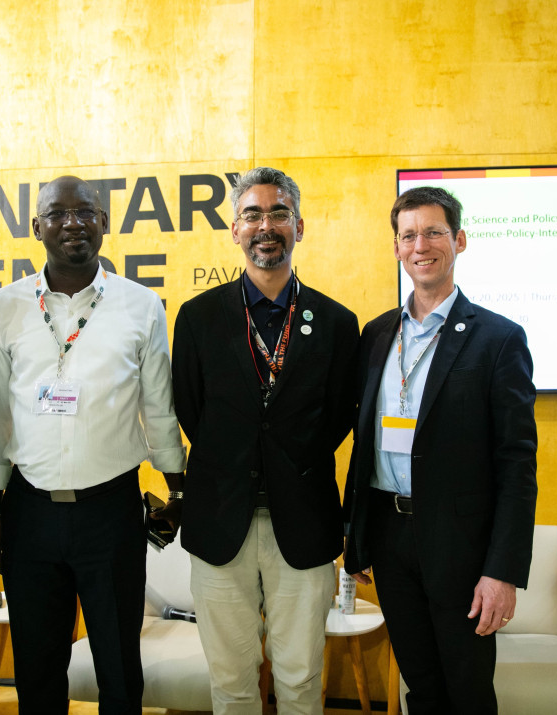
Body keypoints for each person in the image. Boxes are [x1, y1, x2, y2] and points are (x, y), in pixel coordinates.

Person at [0, 175, 186, 714]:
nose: (73, 223)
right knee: (37, 666)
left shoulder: (140, 305)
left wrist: (177, 489)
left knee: (119, 666)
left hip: (111, 513)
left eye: (86, 212)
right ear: (36, 227)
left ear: (104, 222)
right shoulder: (4, 308)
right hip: (30, 513)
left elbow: (159, 406)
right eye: (58, 213)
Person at [343, 186, 537, 714]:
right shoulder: (377, 334)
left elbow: (517, 463)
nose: (420, 244)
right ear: (397, 247)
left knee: (468, 691)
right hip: (390, 535)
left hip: (461, 544)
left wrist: (502, 572)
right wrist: (356, 533)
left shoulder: (497, 339)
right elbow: (365, 441)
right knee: (421, 688)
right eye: (409, 235)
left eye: (433, 231)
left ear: (460, 240)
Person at [172, 166, 359, 714]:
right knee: (231, 683)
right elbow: (191, 408)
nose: (266, 225)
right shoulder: (199, 318)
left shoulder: (335, 322)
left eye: (279, 213)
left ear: (299, 226)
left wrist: (290, 459)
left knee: (301, 680)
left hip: (301, 522)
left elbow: (340, 415)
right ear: (235, 229)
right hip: (219, 522)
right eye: (253, 214)